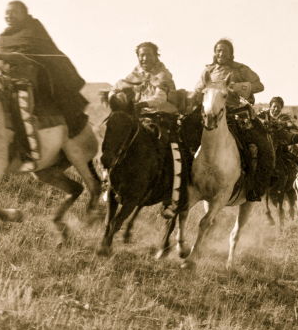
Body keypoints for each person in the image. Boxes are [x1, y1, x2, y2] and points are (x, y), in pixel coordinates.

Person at [0, 1, 90, 170]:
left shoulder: (33, 31)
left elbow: (27, 57)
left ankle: (28, 153)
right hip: (2, 81)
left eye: (14, 12)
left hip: (27, 82)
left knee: (19, 105)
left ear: (25, 14)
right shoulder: (4, 37)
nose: (9, 16)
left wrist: (1, 57)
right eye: (7, 13)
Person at [194, 39, 274, 201]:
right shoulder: (208, 71)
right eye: (218, 50)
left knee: (263, 145)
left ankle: (255, 187)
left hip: (237, 114)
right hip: (211, 115)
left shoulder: (240, 69)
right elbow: (197, 90)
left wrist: (239, 87)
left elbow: (259, 85)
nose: (221, 53)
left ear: (231, 53)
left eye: (225, 50)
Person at [113, 42, 185, 217]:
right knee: (115, 139)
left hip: (161, 117)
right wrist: (114, 94)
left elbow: (160, 98)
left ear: (156, 56)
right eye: (141, 55)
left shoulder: (163, 74)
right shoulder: (136, 72)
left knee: (170, 150)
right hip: (140, 117)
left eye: (148, 55)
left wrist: (142, 104)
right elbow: (121, 85)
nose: (144, 58)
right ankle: (109, 184)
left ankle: (171, 197)